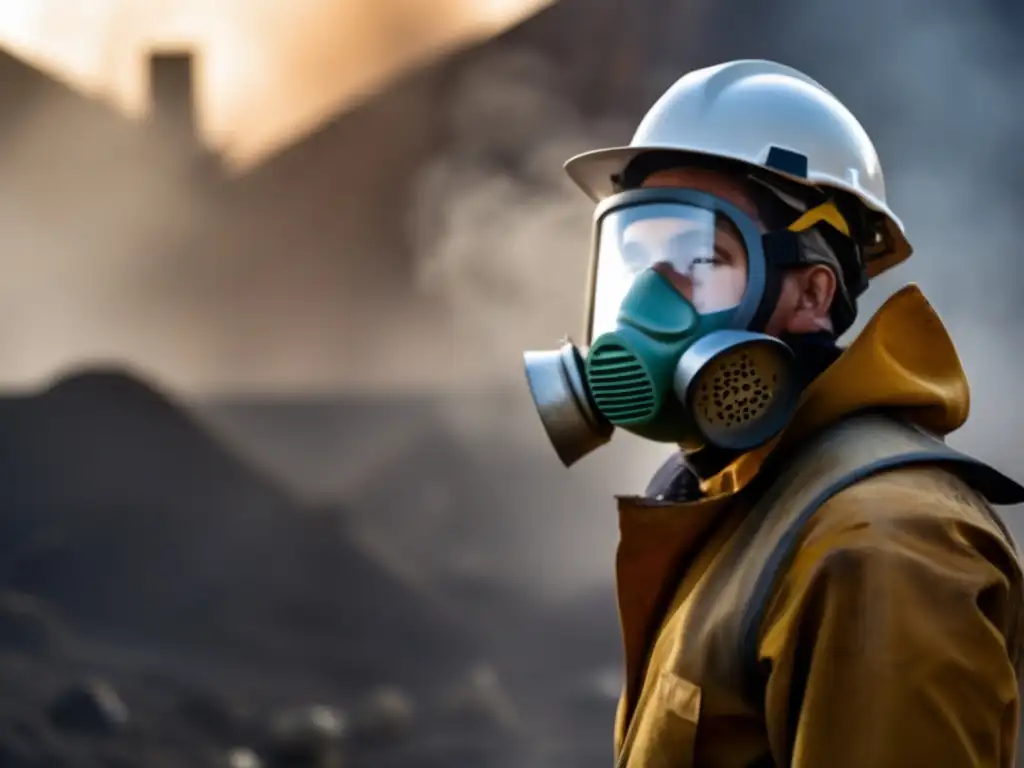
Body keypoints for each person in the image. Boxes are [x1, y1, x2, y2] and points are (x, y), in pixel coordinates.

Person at [522, 60, 1024, 767]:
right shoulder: (744, 499)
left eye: (699, 258)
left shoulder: (885, 544)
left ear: (813, 294)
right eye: (639, 259)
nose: (645, 303)